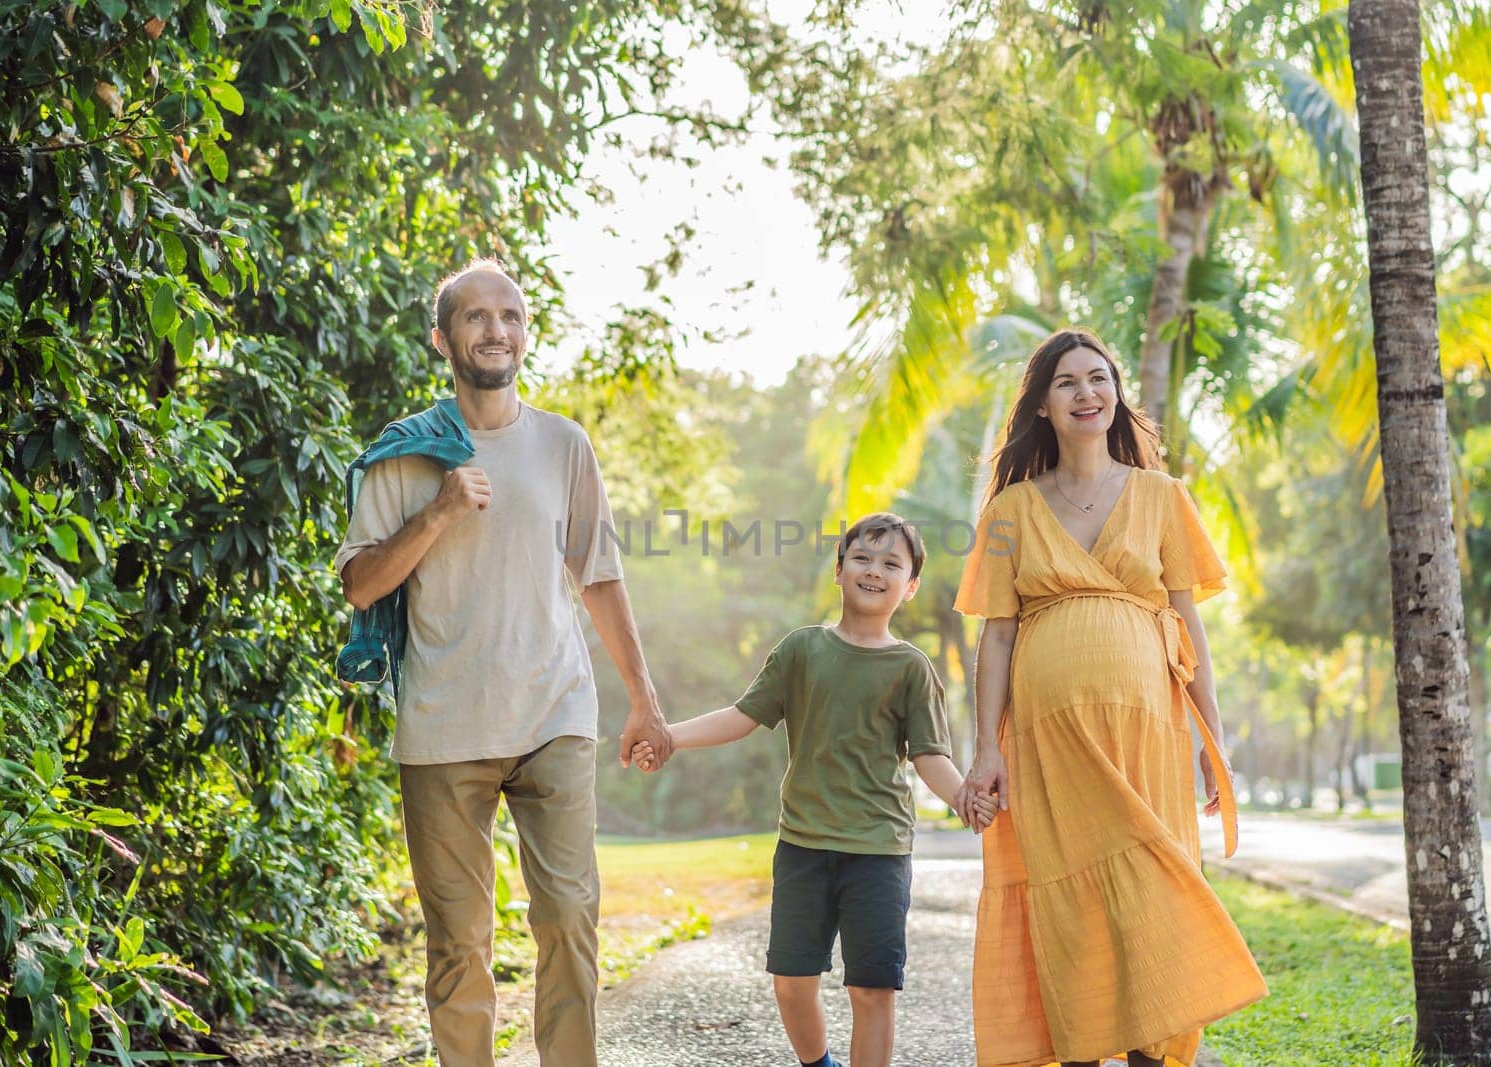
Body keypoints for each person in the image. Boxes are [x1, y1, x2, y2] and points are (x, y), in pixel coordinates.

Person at [334, 259, 673, 1067]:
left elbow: (599, 573)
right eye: (477, 317)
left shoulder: (562, 444)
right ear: (442, 337)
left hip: (554, 709)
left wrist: (643, 700)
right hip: (443, 724)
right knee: (458, 944)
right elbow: (360, 585)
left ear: (526, 333)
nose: (496, 330)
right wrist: (439, 511)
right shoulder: (402, 453)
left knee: (567, 917)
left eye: (510, 315)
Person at [954, 329, 1266, 1067]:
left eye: (1099, 378)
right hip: (1047, 744)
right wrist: (985, 748)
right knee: (1073, 911)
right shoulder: (1010, 511)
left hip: (1148, 733)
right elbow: (996, 637)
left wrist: (1211, 739)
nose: (1087, 392)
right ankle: (1084, 1052)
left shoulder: (1161, 496)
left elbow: (1189, 623)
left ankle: (1150, 1056)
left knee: (1151, 897)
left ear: (1117, 394)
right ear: (1042, 407)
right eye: (1067, 382)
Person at [630, 513, 997, 1067]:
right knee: (791, 982)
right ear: (839, 570)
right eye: (863, 558)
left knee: (872, 991)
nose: (875, 571)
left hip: (878, 852)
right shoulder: (802, 650)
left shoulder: (911, 667)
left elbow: (929, 755)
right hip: (803, 847)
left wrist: (963, 796)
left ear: (911, 585)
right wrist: (669, 737)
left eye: (891, 564)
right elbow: (743, 715)